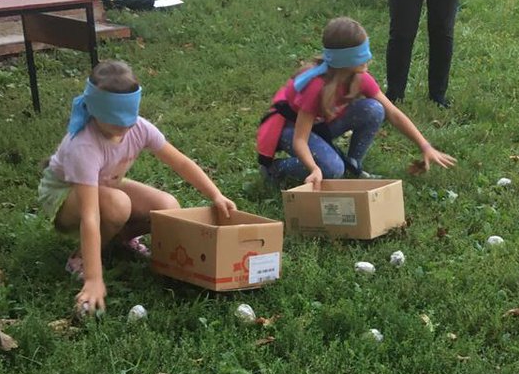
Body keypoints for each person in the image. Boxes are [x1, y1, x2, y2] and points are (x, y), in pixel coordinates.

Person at [39, 59, 236, 316]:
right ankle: (82, 258)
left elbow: (181, 162)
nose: (123, 129)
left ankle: (120, 238)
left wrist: (215, 194)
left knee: (168, 207)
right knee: (118, 205)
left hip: (106, 184)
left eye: (127, 121)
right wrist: (94, 279)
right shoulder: (84, 145)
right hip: (65, 196)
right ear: (96, 112)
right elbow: (89, 215)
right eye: (115, 122)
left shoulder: (139, 127)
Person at [256, 16, 456, 187]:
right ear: (345, 60)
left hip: (320, 125)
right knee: (333, 170)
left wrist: (425, 146)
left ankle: (353, 163)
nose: (368, 59)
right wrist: (315, 168)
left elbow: (392, 113)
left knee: (374, 109)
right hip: (290, 131)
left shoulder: (360, 78)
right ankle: (275, 169)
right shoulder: (316, 87)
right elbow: (300, 139)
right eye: (362, 55)